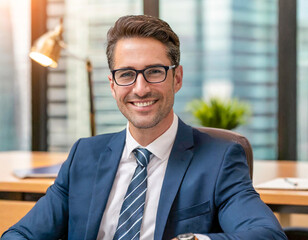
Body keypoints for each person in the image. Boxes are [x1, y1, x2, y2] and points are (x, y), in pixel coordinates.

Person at [1, 15, 287, 240]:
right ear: (113, 86)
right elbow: (21, 234)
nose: (140, 88)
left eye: (154, 72)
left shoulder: (219, 159)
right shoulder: (84, 155)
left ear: (177, 78)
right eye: (126, 74)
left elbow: (267, 234)